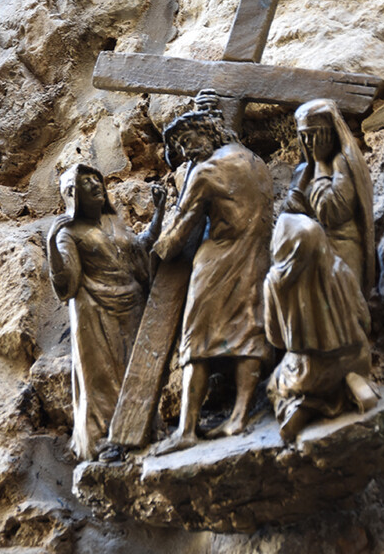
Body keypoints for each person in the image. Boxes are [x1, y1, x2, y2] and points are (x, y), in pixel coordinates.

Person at [152, 91, 273, 453]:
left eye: (189, 141)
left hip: (217, 262)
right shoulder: (254, 161)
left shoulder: (205, 172)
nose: (188, 152)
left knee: (196, 343)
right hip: (255, 255)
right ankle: (238, 416)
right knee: (248, 331)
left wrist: (155, 249)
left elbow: (179, 231)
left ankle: (187, 429)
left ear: (207, 131)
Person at [47, 164, 165, 460]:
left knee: (136, 371)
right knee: (101, 380)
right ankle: (105, 441)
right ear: (73, 194)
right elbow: (67, 284)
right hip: (94, 312)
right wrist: (51, 242)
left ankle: (144, 428)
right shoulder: (69, 233)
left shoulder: (114, 221)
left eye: (97, 180)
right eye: (87, 182)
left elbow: (139, 250)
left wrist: (159, 215)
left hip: (132, 304)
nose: (97, 185)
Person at [264, 212, 378, 443]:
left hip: (306, 370)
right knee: (343, 370)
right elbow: (364, 321)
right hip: (355, 356)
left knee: (273, 386)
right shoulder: (340, 269)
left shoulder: (274, 283)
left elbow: (275, 339)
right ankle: (352, 384)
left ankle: (304, 405)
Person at [284, 98, 375, 295]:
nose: (309, 143)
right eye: (304, 136)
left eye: (316, 135)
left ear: (331, 134)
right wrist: (307, 172)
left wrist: (320, 164)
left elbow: (330, 212)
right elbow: (290, 212)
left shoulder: (342, 164)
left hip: (340, 253)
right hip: (309, 255)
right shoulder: (303, 170)